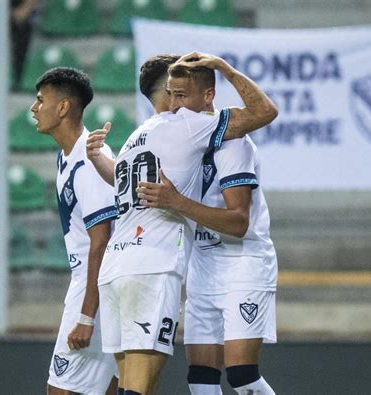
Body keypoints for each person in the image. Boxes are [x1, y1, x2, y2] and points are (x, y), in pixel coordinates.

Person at [86, 52, 277, 394]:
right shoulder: (171, 136)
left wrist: (224, 68)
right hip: (200, 262)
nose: (174, 105)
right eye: (171, 95)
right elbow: (123, 177)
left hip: (242, 262)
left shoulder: (232, 141)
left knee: (242, 376)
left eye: (182, 96)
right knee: (200, 379)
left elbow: (239, 223)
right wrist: (100, 157)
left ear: (208, 97)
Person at [30, 67, 118, 395]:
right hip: (97, 287)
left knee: (61, 390)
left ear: (63, 108)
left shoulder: (90, 161)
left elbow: (102, 240)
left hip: (94, 290)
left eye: (41, 100)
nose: (33, 108)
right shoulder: (66, 157)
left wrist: (86, 316)